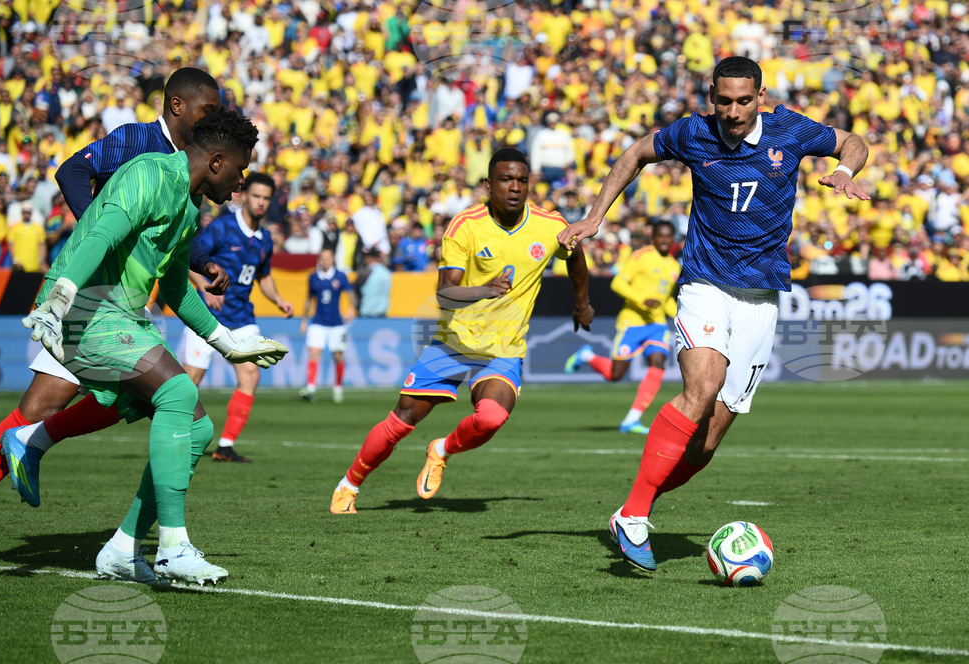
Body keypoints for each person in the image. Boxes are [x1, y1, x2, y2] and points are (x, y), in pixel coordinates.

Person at [558, 56, 869, 572]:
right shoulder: (692, 134)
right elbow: (636, 152)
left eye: (743, 100)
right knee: (701, 388)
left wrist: (842, 169)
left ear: (760, 98)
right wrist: (596, 217)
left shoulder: (790, 129)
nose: (732, 111)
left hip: (761, 297)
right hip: (704, 284)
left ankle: (634, 508)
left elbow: (852, 141)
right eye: (723, 100)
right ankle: (635, 516)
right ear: (711, 98)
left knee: (706, 443)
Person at [7, 107, 286, 584]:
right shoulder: (150, 173)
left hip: (119, 316)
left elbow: (176, 287)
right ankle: (173, 546)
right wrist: (60, 296)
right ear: (217, 161)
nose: (239, 184)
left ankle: (121, 548)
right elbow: (99, 234)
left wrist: (227, 345)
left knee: (198, 432)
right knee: (177, 393)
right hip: (82, 309)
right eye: (240, 172)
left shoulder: (187, 205)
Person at [0, 68, 229, 509]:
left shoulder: (190, 165)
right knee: (166, 401)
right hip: (94, 299)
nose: (212, 120)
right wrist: (98, 231)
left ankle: (34, 444)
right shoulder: (137, 140)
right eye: (208, 110)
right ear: (176, 105)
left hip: (124, 303)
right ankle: (152, 540)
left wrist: (201, 262)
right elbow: (71, 171)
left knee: (112, 403)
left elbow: (165, 237)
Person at [330, 148, 594, 514]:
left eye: (522, 180)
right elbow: (444, 292)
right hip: (453, 344)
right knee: (402, 420)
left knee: (491, 418)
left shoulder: (550, 225)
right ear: (489, 184)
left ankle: (442, 450)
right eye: (506, 180)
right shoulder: (465, 225)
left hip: (503, 349)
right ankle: (349, 485)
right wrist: (484, 290)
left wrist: (581, 302)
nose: (515, 187)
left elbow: (575, 255)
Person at [181, 172, 294, 463]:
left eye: (266, 198)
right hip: (207, 316)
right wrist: (204, 289)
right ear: (243, 195)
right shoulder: (222, 228)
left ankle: (226, 446)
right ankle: (176, 441)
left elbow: (263, 276)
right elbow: (187, 257)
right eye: (256, 196)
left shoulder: (265, 239)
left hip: (242, 316)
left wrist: (279, 300)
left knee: (251, 375)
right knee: (188, 382)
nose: (260, 202)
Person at [564, 220, 680, 433]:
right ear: (653, 237)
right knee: (615, 375)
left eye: (669, 236)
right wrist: (640, 299)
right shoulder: (641, 256)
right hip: (632, 322)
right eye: (661, 235)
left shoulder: (674, 266)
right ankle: (586, 356)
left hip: (656, 324)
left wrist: (680, 317)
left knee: (658, 362)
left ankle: (631, 420)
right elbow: (617, 283)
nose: (665, 239)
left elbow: (666, 301)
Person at [299, 248, 355, 403]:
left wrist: (352, 309)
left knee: (337, 356)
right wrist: (304, 321)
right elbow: (309, 299)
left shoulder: (340, 276)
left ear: (333, 259)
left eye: (328, 258)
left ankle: (338, 388)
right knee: (314, 353)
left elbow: (352, 296)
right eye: (323, 258)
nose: (325, 261)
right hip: (317, 322)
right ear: (319, 260)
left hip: (336, 324)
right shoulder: (313, 277)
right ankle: (311, 387)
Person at [354, 246, 392, 318]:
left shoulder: (366, 272)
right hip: (383, 313)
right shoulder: (387, 273)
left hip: (367, 314)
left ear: (369, 257)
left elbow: (353, 288)